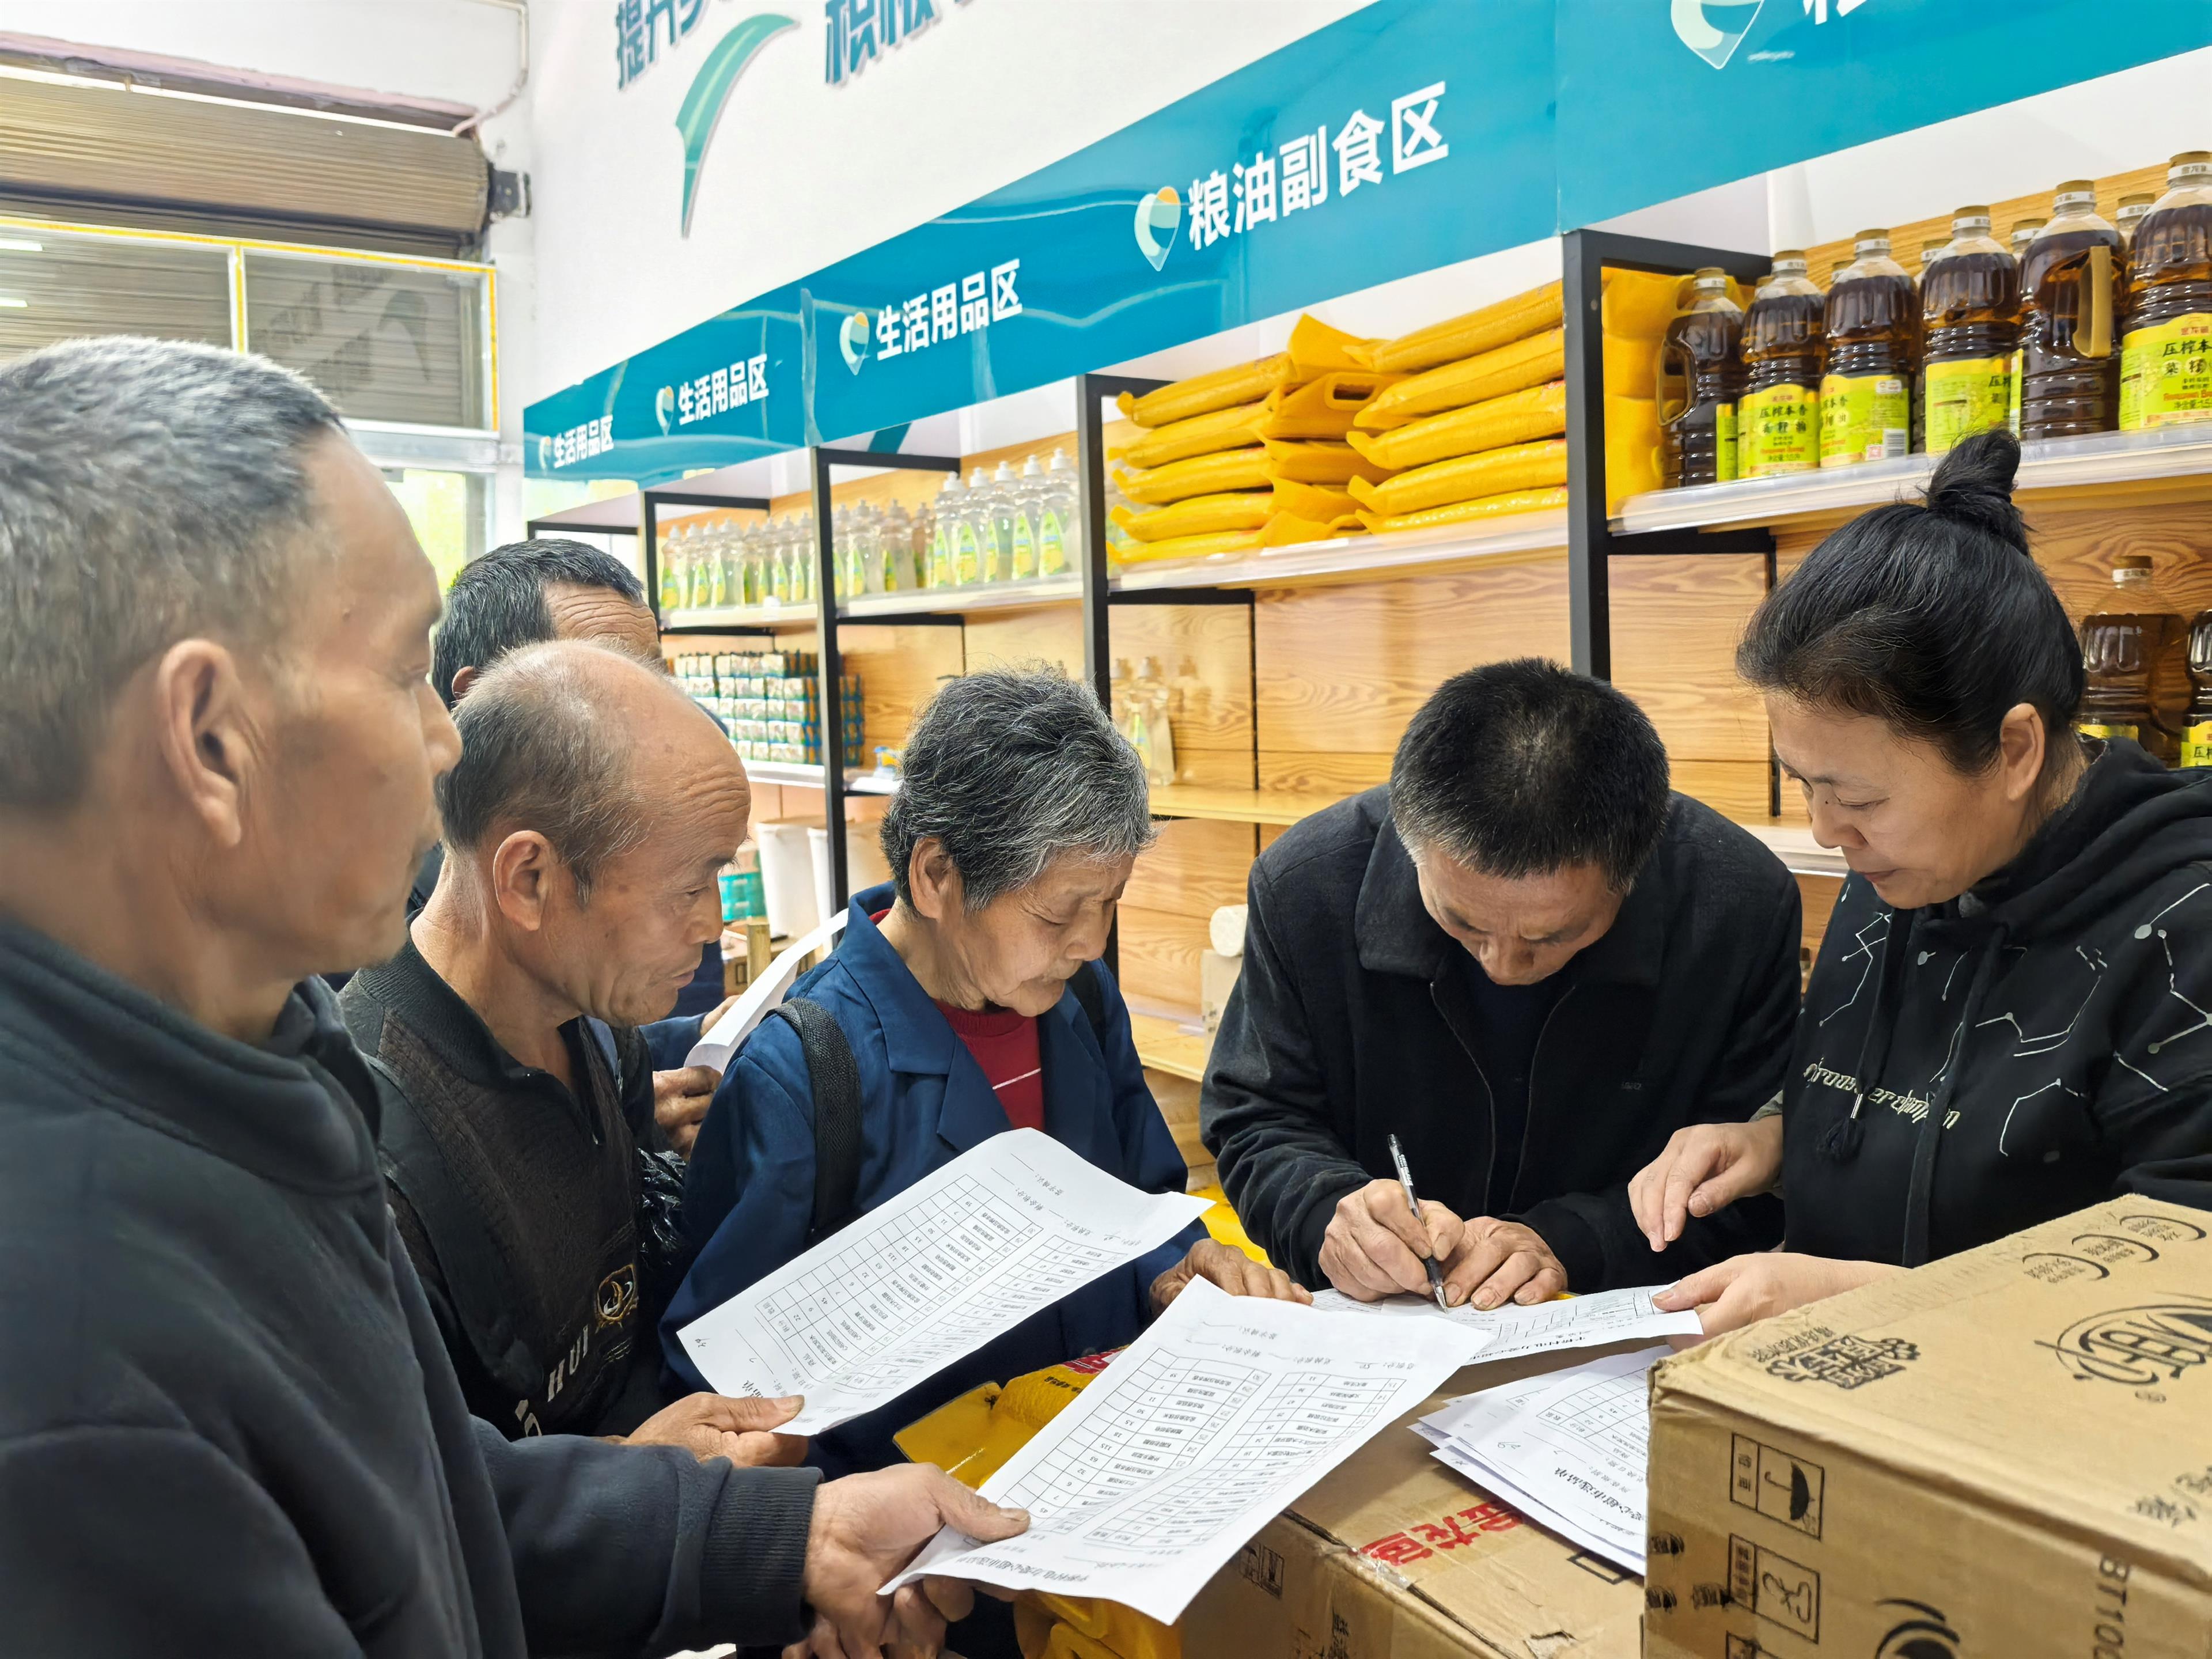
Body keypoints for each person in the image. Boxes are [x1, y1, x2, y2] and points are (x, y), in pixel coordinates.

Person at [0, 336, 1021, 1656]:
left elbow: (412, 1494)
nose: (448, 743)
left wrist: (777, 1542)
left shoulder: (262, 1068)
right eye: (405, 673)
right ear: (209, 738)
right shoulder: (76, 1370)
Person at [1636, 430, 2212, 1335]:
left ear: (2014, 750)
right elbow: (1928, 1090)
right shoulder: (1911, 858)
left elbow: (2180, 1297)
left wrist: (1868, 1302)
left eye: (1859, 797)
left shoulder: (2186, 929)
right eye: (1806, 787)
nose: (1828, 831)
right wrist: (1776, 1139)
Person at [667, 668, 1306, 1477]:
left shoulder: (1080, 1002)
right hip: (910, 1507)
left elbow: (1141, 1199)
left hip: (1099, 1453)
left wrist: (1174, 1267)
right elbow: (717, 1373)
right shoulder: (804, 1070)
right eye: (1058, 912)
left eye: (1110, 902)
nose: (1090, 942)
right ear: (937, 876)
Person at [1202, 659, 1800, 1309]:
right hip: (1382, 1320)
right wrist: (1325, 1212)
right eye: (1462, 922)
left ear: (1631, 871)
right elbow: (1258, 1117)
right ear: (1413, 842)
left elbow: (1756, 1170)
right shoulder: (1307, 887)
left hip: (1622, 1319)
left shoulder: (1736, 906)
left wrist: (1573, 1240)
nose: (1503, 966)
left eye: (1553, 936)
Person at [341, 639, 777, 1447]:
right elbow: (419, 1490)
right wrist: (633, 1473)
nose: (714, 923)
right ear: (530, 880)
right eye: (690, 886)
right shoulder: (366, 1165)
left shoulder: (595, 1024)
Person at [417, 536, 728, 1153]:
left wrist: (685, 1045)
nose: (660, 719)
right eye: (613, 685)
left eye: (659, 682)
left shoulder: (629, 852)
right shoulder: (371, 931)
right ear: (481, 701)